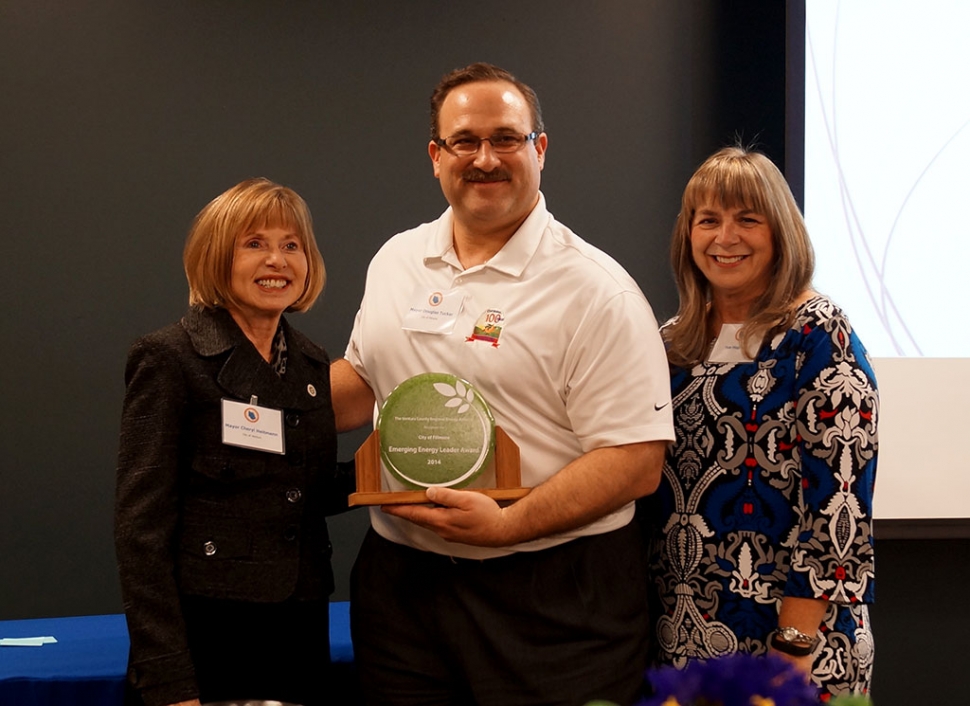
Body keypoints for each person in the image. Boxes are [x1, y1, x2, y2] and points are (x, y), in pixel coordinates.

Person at [331, 62, 674, 706]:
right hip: (403, 592)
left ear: (539, 150)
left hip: (555, 601)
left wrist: (507, 528)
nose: (484, 158)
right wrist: (249, 400)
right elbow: (363, 383)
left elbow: (634, 463)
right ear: (436, 157)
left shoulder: (596, 290)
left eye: (506, 138)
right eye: (465, 141)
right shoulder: (396, 260)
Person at [648, 146, 877, 699]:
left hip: (798, 647)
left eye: (747, 219)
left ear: (781, 232)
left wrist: (794, 646)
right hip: (686, 636)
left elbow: (839, 509)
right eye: (709, 220)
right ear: (689, 234)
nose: (726, 238)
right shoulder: (672, 340)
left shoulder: (819, 335)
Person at [114, 178, 351, 706]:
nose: (278, 260)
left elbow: (304, 488)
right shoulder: (170, 359)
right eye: (255, 244)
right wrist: (168, 679)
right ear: (216, 258)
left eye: (292, 245)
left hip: (300, 631)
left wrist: (402, 466)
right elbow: (141, 533)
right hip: (209, 638)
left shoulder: (311, 364)